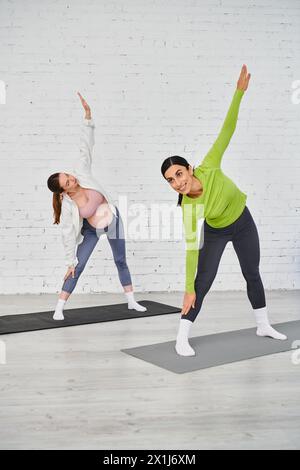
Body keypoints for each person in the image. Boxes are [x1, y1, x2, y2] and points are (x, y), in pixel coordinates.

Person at [161, 65, 287, 356]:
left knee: (251, 272)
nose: (177, 182)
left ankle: (263, 324)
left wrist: (239, 94)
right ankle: (182, 337)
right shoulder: (189, 210)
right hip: (216, 231)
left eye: (179, 174)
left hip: (243, 221)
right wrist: (187, 287)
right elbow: (192, 249)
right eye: (171, 180)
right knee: (201, 283)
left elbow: (227, 129)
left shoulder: (210, 164)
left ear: (190, 169)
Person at [47, 92, 147, 320]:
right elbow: (67, 235)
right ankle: (59, 307)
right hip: (92, 231)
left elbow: (85, 146)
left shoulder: (82, 172)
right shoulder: (68, 207)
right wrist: (69, 260)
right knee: (77, 266)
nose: (72, 178)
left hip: (113, 220)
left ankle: (132, 301)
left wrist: (88, 117)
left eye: (68, 175)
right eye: (67, 182)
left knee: (120, 260)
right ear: (64, 191)